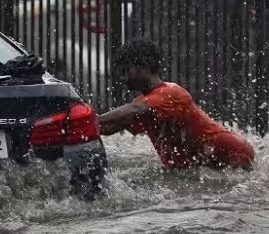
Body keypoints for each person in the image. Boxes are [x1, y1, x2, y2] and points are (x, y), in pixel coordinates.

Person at [97, 41, 255, 170]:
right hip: (206, 161)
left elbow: (133, 109)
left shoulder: (170, 93)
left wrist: (94, 118)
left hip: (232, 153)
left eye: (126, 71)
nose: (123, 78)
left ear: (143, 67)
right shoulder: (145, 103)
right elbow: (110, 128)